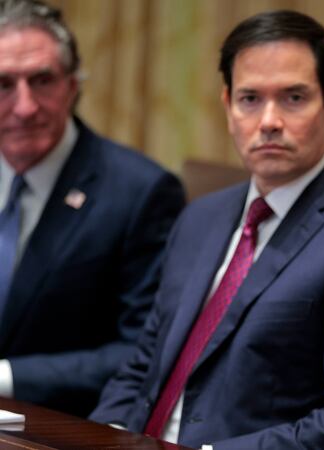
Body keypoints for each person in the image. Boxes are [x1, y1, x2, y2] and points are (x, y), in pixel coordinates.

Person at [89, 9, 324, 449]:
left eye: (293, 98)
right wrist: (104, 435)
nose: (269, 120)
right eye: (250, 99)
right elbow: (143, 366)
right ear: (227, 106)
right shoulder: (199, 217)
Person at [0, 0, 184, 417]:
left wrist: (6, 376)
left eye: (42, 80)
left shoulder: (141, 192)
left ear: (72, 85)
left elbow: (142, 351)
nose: (24, 107)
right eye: (3, 84)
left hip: (57, 425)